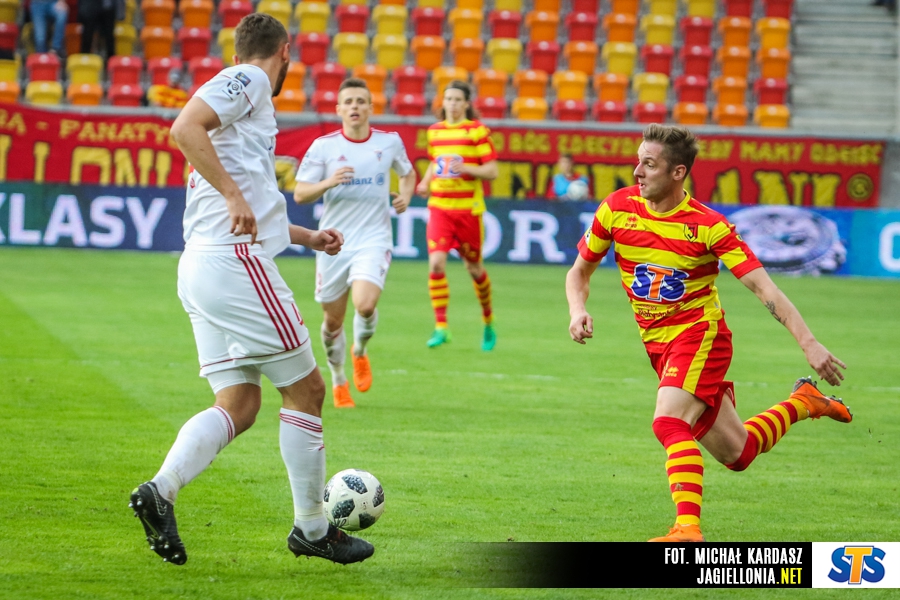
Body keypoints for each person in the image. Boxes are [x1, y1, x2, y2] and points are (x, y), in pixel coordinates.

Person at [129, 13, 374, 567]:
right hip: (234, 264)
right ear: (285, 51)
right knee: (308, 390)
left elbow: (250, 198)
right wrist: (235, 196)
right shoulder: (251, 79)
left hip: (201, 266)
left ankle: (160, 491)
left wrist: (307, 236)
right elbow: (183, 127)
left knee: (239, 404)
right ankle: (312, 528)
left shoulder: (242, 121)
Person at [565, 124, 852, 542]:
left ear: (677, 172)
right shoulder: (616, 209)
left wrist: (809, 343)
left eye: (649, 164)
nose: (637, 172)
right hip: (658, 346)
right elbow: (579, 272)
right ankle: (804, 402)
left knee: (668, 422)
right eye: (638, 162)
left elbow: (763, 288)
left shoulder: (708, 226)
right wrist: (577, 309)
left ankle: (687, 528)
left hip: (700, 336)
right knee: (739, 453)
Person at [293, 78, 416, 409]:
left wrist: (405, 196)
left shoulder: (389, 142)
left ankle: (359, 350)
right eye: (348, 102)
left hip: (374, 238)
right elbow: (300, 193)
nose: (354, 107)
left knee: (365, 305)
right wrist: (329, 181)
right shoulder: (324, 147)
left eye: (361, 101)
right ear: (339, 109)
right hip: (333, 242)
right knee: (332, 321)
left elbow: (408, 173)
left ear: (371, 108)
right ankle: (338, 379)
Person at [415, 81, 499, 351]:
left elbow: (492, 171)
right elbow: (435, 162)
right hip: (440, 207)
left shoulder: (476, 131)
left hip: (468, 211)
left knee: (474, 269)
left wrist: (467, 169)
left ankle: (488, 320)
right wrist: (425, 182)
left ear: (466, 104)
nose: (451, 103)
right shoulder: (435, 132)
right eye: (448, 99)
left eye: (457, 99)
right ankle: (441, 327)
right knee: (436, 264)